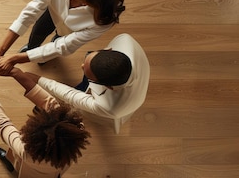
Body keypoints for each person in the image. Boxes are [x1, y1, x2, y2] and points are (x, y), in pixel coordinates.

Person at [0, 0, 125, 73]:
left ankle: (40, 55)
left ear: (94, 0)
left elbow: (63, 46)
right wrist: (1, 49)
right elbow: (32, 10)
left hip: (70, 31)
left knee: (57, 41)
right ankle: (32, 48)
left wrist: (15, 59)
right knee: (37, 32)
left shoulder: (103, 20)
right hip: (52, 13)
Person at [21, 33, 150, 134]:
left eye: (87, 74)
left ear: (107, 87)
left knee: (76, 96)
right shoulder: (125, 41)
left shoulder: (109, 107)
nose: (81, 66)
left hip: (118, 101)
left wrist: (38, 79)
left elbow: (71, 96)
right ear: (109, 50)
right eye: (88, 60)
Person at [0, 67, 90, 177]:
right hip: (55, 171)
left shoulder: (26, 152)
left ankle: (10, 163)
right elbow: (50, 102)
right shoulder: (76, 129)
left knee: (16, 160)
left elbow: (3, 125)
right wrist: (16, 73)